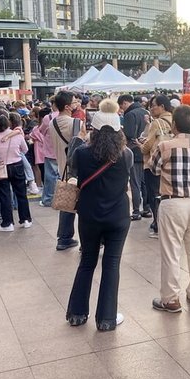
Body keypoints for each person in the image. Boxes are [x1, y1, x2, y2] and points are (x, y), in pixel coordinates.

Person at [66, 99, 132, 331]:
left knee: (87, 262)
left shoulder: (82, 154)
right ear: (118, 130)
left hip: (89, 215)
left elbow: (73, 170)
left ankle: (77, 313)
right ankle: (106, 319)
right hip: (118, 216)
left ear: (93, 130)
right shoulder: (127, 155)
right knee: (112, 265)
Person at [150, 105, 190, 313]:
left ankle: (170, 299)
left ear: (174, 125)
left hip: (172, 202)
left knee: (171, 252)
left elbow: (153, 168)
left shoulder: (165, 146)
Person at [50, 91, 86, 250]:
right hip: (77, 170)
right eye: (74, 101)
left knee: (67, 203)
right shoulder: (76, 124)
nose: (76, 103)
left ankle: (64, 238)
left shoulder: (52, 123)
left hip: (62, 168)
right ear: (67, 106)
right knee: (84, 206)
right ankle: (87, 241)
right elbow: (82, 147)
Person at [0, 112, 32, 231]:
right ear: (9, 123)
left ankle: (8, 223)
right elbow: (25, 149)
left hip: (1, 166)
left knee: (5, 195)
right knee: (21, 193)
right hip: (17, 165)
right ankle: (25, 219)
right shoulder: (17, 135)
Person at [141, 96, 173, 238]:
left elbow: (147, 146)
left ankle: (159, 226)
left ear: (162, 106)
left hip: (155, 164)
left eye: (153, 105)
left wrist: (140, 146)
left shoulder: (157, 123)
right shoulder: (175, 119)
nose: (151, 108)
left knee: (155, 195)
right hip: (172, 164)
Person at [118, 94, 149, 221]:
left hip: (134, 151)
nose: (122, 109)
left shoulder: (130, 114)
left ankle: (136, 210)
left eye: (121, 106)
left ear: (125, 103)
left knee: (135, 182)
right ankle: (146, 208)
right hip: (146, 151)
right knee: (144, 182)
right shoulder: (145, 111)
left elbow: (129, 134)